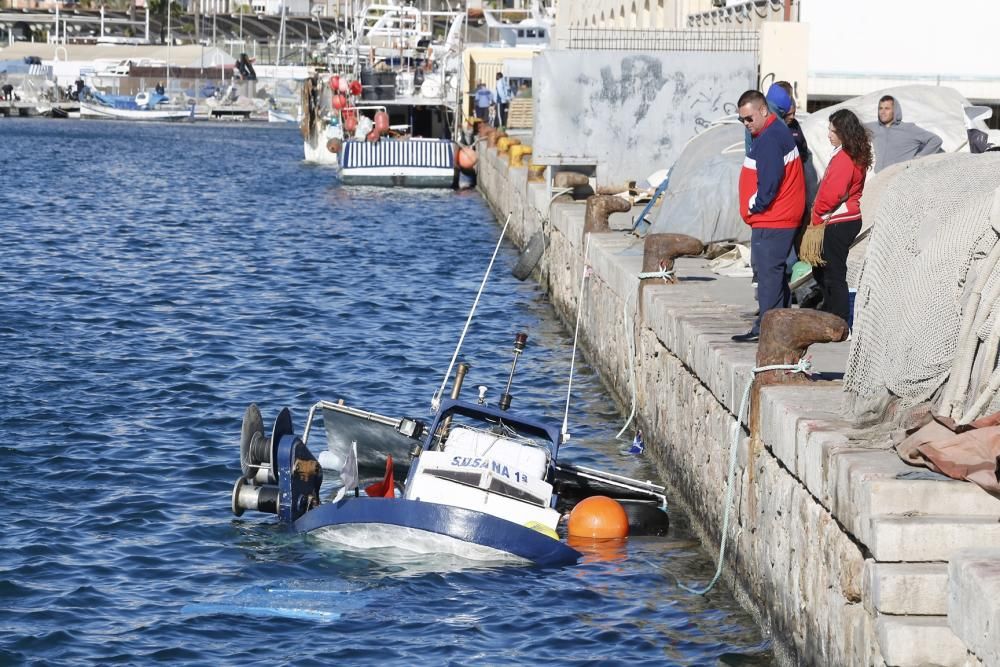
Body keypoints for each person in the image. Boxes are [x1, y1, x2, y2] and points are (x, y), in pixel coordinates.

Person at [733, 89, 806, 343]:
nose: (746, 124)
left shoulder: (770, 139)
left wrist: (754, 205)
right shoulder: (774, 132)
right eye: (742, 120)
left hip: (773, 218)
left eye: (749, 118)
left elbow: (770, 182)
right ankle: (779, 325)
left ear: (763, 110)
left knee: (768, 274)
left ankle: (769, 329)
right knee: (774, 274)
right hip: (777, 217)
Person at [808, 109, 872, 326]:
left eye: (833, 130)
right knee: (822, 268)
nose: (829, 135)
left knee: (834, 272)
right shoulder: (853, 153)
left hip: (839, 220)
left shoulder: (844, 158)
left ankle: (840, 319)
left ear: (844, 132)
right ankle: (831, 311)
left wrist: (817, 212)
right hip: (843, 219)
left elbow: (834, 192)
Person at [866, 95, 942, 173]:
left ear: (895, 110)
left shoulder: (909, 129)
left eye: (887, 108)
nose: (883, 112)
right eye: (880, 108)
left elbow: (935, 140)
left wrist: (918, 159)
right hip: (879, 177)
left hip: (900, 177)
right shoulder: (873, 127)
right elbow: (855, 128)